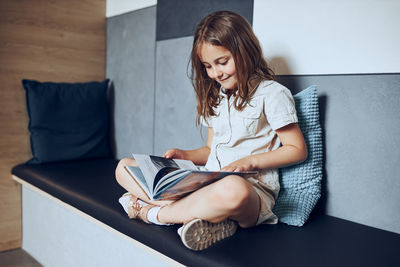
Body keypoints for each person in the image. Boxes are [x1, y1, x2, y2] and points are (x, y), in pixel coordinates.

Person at [115, 10, 307, 251]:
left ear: (245, 50)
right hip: (206, 181)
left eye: (222, 62)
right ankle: (205, 217)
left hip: (251, 190)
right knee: (124, 167)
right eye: (207, 66)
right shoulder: (217, 96)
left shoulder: (273, 94)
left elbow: (297, 149)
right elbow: (209, 149)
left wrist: (250, 162)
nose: (216, 73)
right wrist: (185, 155)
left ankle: (154, 214)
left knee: (233, 190)